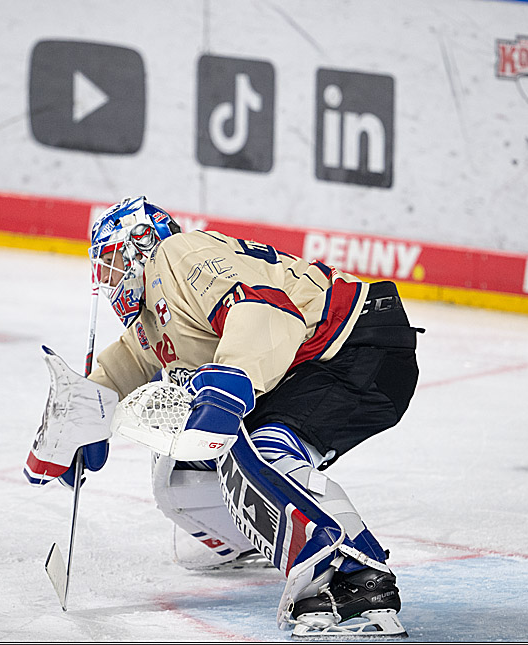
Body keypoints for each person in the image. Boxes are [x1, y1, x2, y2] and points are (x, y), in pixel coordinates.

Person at [26, 196, 421, 638]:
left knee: (264, 446)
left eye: (115, 259)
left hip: (356, 345)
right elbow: (125, 365)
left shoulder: (178, 256)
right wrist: (84, 416)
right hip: (315, 361)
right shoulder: (154, 317)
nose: (109, 276)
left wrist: (232, 380)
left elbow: (267, 310)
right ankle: (243, 538)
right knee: (178, 471)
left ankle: (357, 583)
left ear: (142, 242)